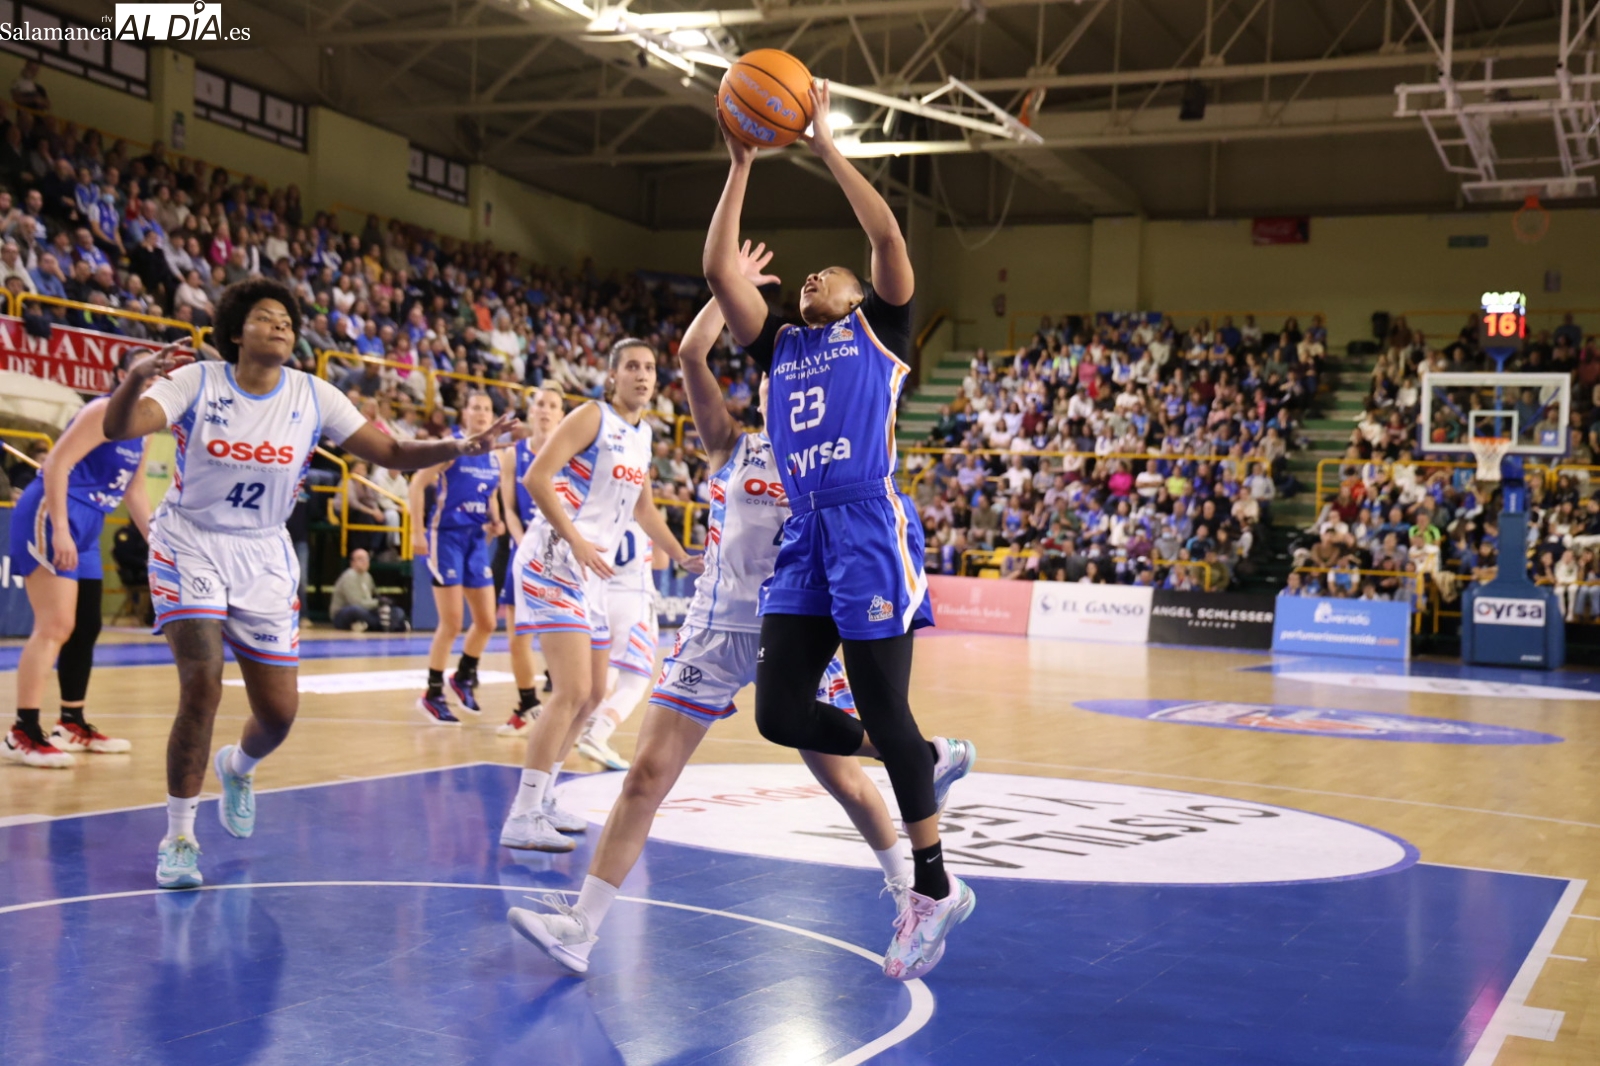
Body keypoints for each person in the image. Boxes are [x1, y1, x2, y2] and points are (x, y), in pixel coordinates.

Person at [508, 251, 972, 976]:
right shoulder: (728, 441)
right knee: (646, 775)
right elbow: (693, 351)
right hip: (714, 629)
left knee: (844, 780)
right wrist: (732, 291)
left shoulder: (819, 451)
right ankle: (581, 929)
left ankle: (911, 883)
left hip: (796, 625)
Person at [101, 277, 516, 890]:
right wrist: (136, 378)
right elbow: (121, 427)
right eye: (267, 318)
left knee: (279, 714)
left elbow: (393, 451)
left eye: (288, 321)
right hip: (190, 541)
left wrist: (461, 444)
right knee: (203, 685)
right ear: (236, 331)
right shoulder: (197, 381)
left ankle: (238, 767)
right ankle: (180, 838)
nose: (282, 327)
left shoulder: (313, 395)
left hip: (264, 554)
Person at [702, 82, 974, 981]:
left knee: (883, 706)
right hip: (805, 534)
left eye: (831, 271)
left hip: (868, 524)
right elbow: (718, 274)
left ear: (861, 295)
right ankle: (922, 761)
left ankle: (931, 886)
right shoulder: (780, 344)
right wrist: (741, 161)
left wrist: (824, 146)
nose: (815, 276)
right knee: (780, 716)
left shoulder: (883, 329)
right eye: (808, 274)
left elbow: (889, 239)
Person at [499, 337, 703, 853]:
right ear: (612, 376)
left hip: (590, 570)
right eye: (631, 367)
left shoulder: (643, 435)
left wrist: (681, 556)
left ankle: (543, 798)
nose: (642, 375)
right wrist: (575, 539)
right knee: (570, 691)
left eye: (650, 368)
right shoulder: (592, 416)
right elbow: (536, 478)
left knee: (592, 694)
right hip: (553, 559)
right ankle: (522, 814)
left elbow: (644, 510)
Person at [3, 388, 150, 767]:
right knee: (55, 625)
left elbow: (134, 490)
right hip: (54, 512)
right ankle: (23, 731)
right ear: (126, 378)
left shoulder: (146, 428)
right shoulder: (103, 409)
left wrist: (158, 542)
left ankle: (71, 723)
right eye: (147, 377)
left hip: (88, 522)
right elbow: (55, 464)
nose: (154, 386)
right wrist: (60, 528)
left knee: (86, 626)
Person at [409, 391, 505, 724]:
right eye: (475, 407)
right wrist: (416, 532)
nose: (480, 413)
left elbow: (489, 492)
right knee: (451, 622)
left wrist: (495, 517)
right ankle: (432, 692)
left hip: (476, 540)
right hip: (446, 537)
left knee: (487, 621)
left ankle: (463, 676)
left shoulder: (493, 456)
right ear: (465, 413)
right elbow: (417, 484)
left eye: (486, 409)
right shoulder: (452, 446)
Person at [494, 386, 565, 736]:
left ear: (562, 415)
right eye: (541, 403)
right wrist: (523, 543)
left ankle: (566, 708)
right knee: (517, 635)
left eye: (553, 405)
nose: (546, 410)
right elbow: (508, 507)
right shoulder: (513, 454)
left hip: (563, 554)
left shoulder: (572, 454)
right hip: (524, 551)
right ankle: (527, 705)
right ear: (531, 410)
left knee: (565, 634)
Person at [572, 519, 659, 771]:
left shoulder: (602, 509)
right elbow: (662, 562)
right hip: (633, 598)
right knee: (634, 682)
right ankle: (598, 734)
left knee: (605, 668)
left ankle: (587, 724)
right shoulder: (647, 516)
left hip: (598, 597)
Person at [329, 548, 407, 632]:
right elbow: (356, 602)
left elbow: (375, 596)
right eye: (360, 559)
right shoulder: (349, 576)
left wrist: (383, 602)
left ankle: (387, 625)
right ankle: (389, 625)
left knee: (397, 611)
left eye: (366, 558)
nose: (364, 561)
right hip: (343, 614)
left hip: (367, 610)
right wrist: (377, 603)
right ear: (352, 562)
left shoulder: (367, 576)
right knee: (355, 610)